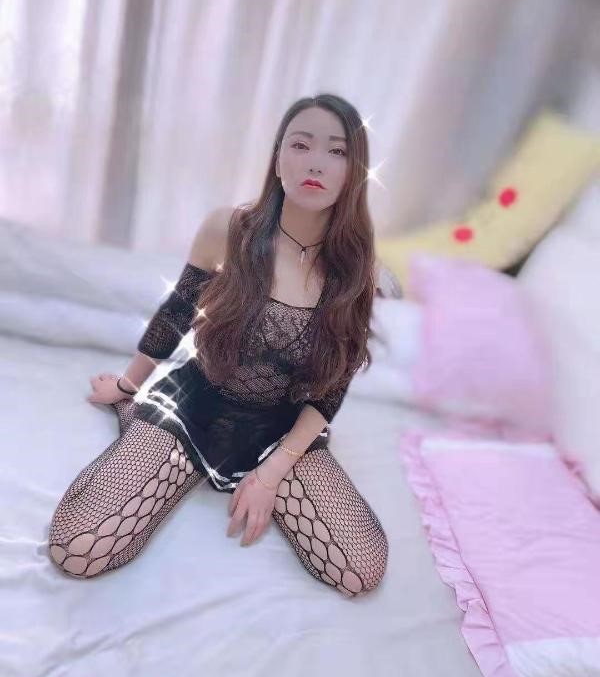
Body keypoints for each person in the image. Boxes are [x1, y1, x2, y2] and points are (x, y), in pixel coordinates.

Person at [47, 93, 391, 597]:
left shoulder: (358, 268)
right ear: (278, 159)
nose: (316, 163)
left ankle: (222, 454)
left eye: (336, 151)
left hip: (282, 425)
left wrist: (273, 472)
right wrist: (127, 385)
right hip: (195, 405)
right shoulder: (227, 229)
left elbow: (332, 386)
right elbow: (177, 313)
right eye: (300, 145)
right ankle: (137, 415)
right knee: (78, 550)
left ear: (354, 171)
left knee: (359, 571)